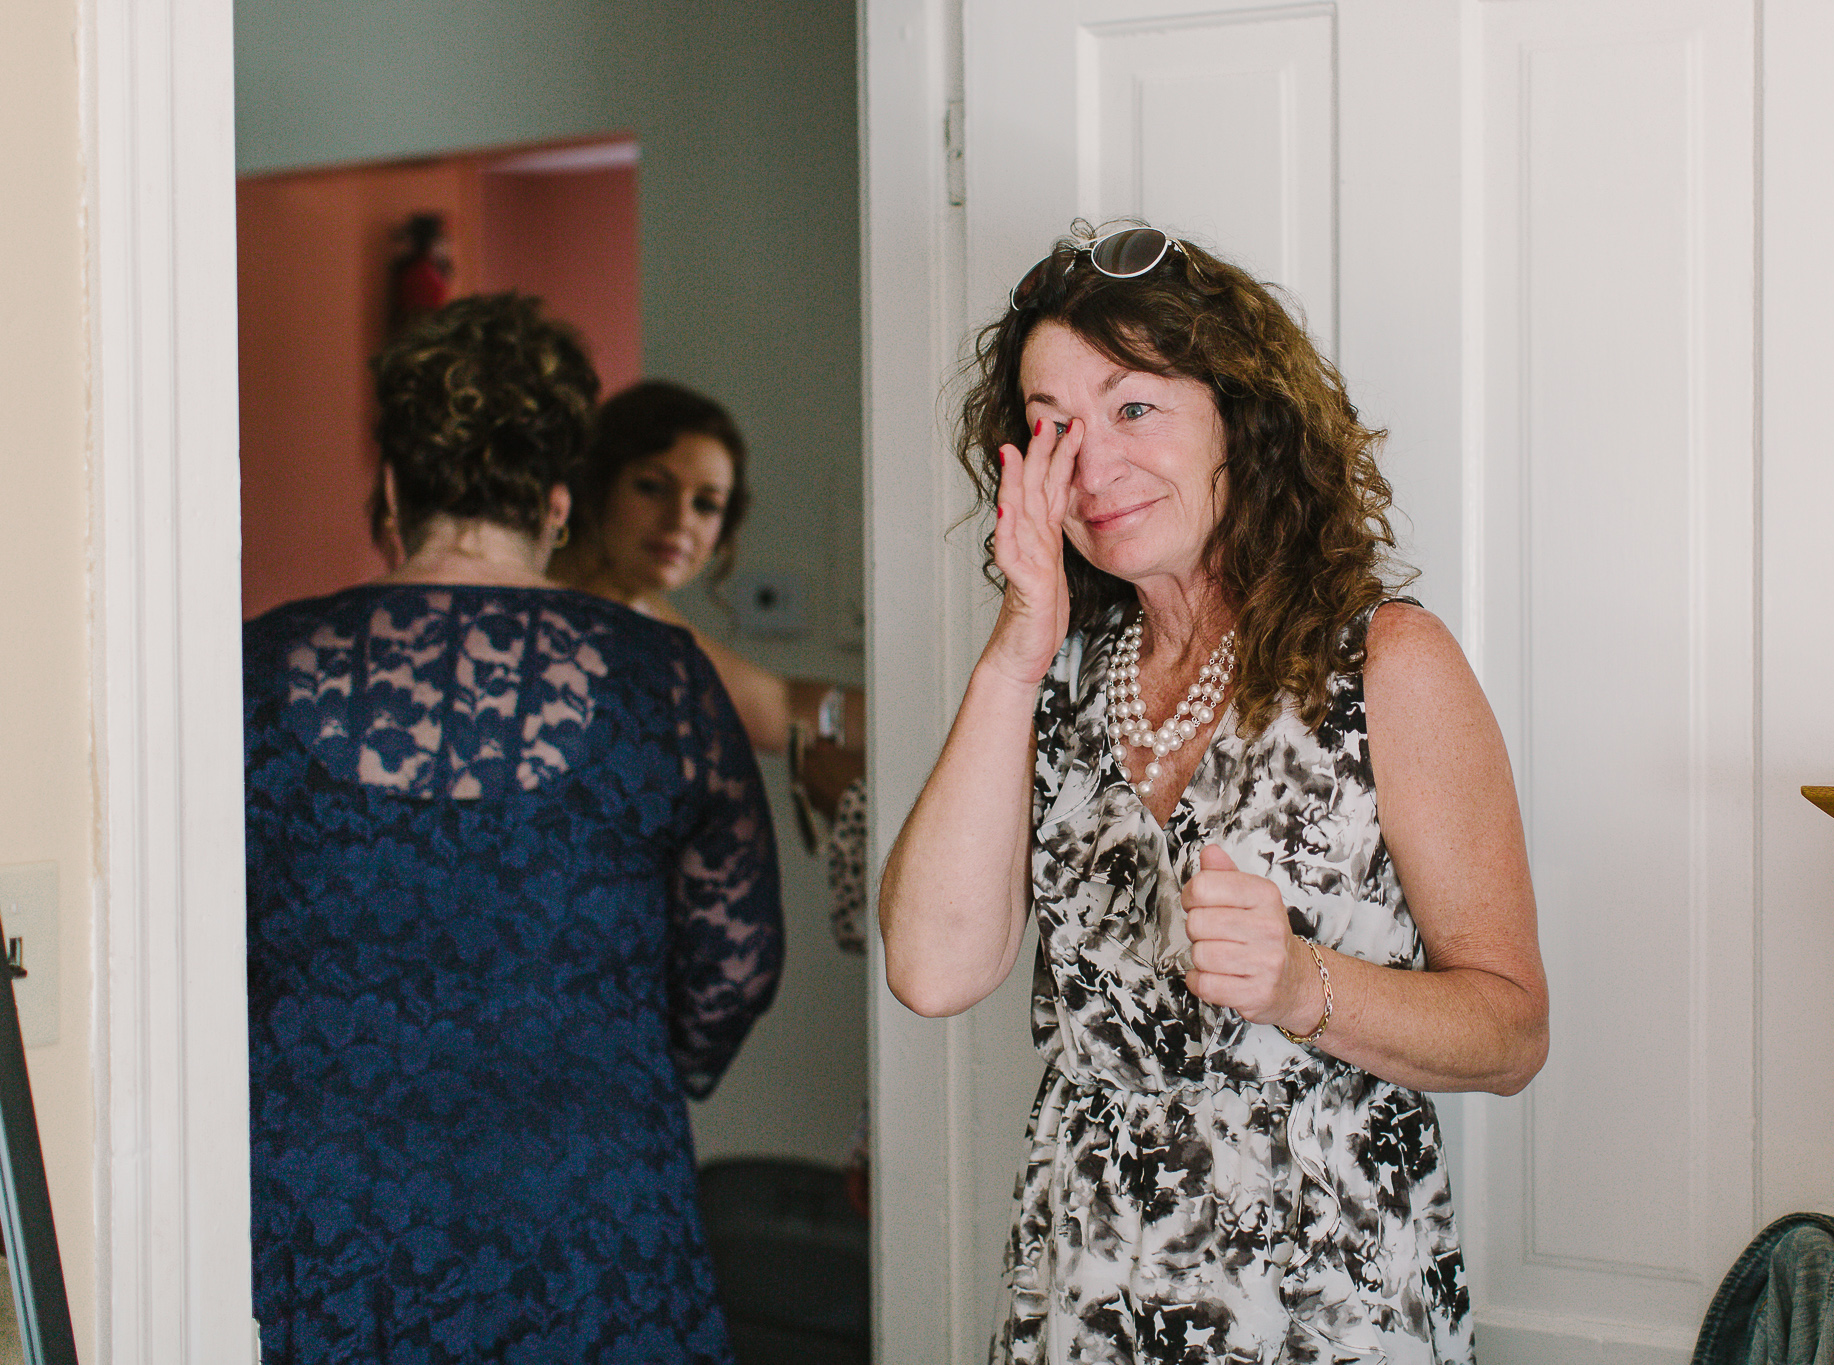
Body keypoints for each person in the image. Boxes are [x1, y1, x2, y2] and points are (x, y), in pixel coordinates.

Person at [879, 225, 1549, 1364]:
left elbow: (1510, 1029)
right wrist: (1014, 649)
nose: (1090, 462)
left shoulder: (1384, 665)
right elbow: (932, 970)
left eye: (1133, 407)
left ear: (1244, 418)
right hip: (1083, 1284)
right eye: (1052, 424)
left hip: (1318, 1295)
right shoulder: (1053, 680)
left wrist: (1301, 984)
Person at [244, 294, 783, 1364]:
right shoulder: (658, 676)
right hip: (589, 1198)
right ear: (554, 504)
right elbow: (736, 959)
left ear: (391, 490)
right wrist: (612, 1054)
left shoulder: (255, 668)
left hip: (323, 1206)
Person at [548, 380, 864, 820]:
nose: (680, 520)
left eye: (706, 504)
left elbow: (780, 709)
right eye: (651, 487)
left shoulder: (642, 613)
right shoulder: (542, 608)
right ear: (597, 483)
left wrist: (932, 706)